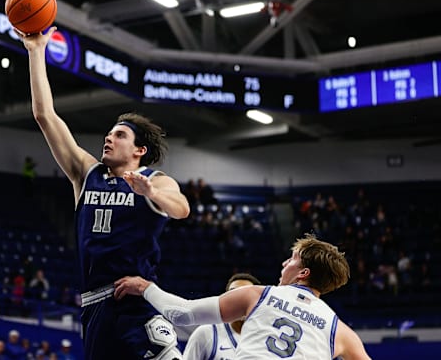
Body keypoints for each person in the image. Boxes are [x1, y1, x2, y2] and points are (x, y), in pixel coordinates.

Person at [20, 27, 190, 360]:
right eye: (108, 134)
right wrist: (36, 51)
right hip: (94, 306)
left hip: (135, 302)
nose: (108, 139)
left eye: (120, 135)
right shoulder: (87, 173)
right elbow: (44, 115)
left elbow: (181, 208)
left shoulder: (156, 179)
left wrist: (151, 191)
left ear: (139, 149)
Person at [114, 234, 372, 360]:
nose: (284, 263)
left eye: (291, 260)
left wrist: (146, 287)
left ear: (303, 273)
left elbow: (183, 313)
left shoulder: (260, 295)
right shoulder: (341, 332)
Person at [183, 273, 261, 360]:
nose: (239, 301)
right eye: (234, 294)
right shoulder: (206, 334)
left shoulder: (266, 338)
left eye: (246, 295)